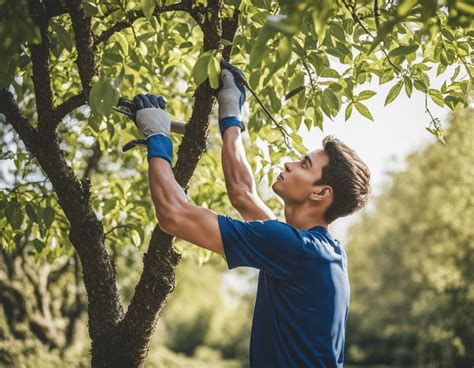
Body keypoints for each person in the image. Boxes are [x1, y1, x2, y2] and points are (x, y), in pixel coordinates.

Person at [132, 63, 371, 368]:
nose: (288, 163)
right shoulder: (318, 250)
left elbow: (173, 214)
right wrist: (231, 109)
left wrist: (158, 139)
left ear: (320, 193)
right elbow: (243, 195)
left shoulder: (295, 248)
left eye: (304, 165)